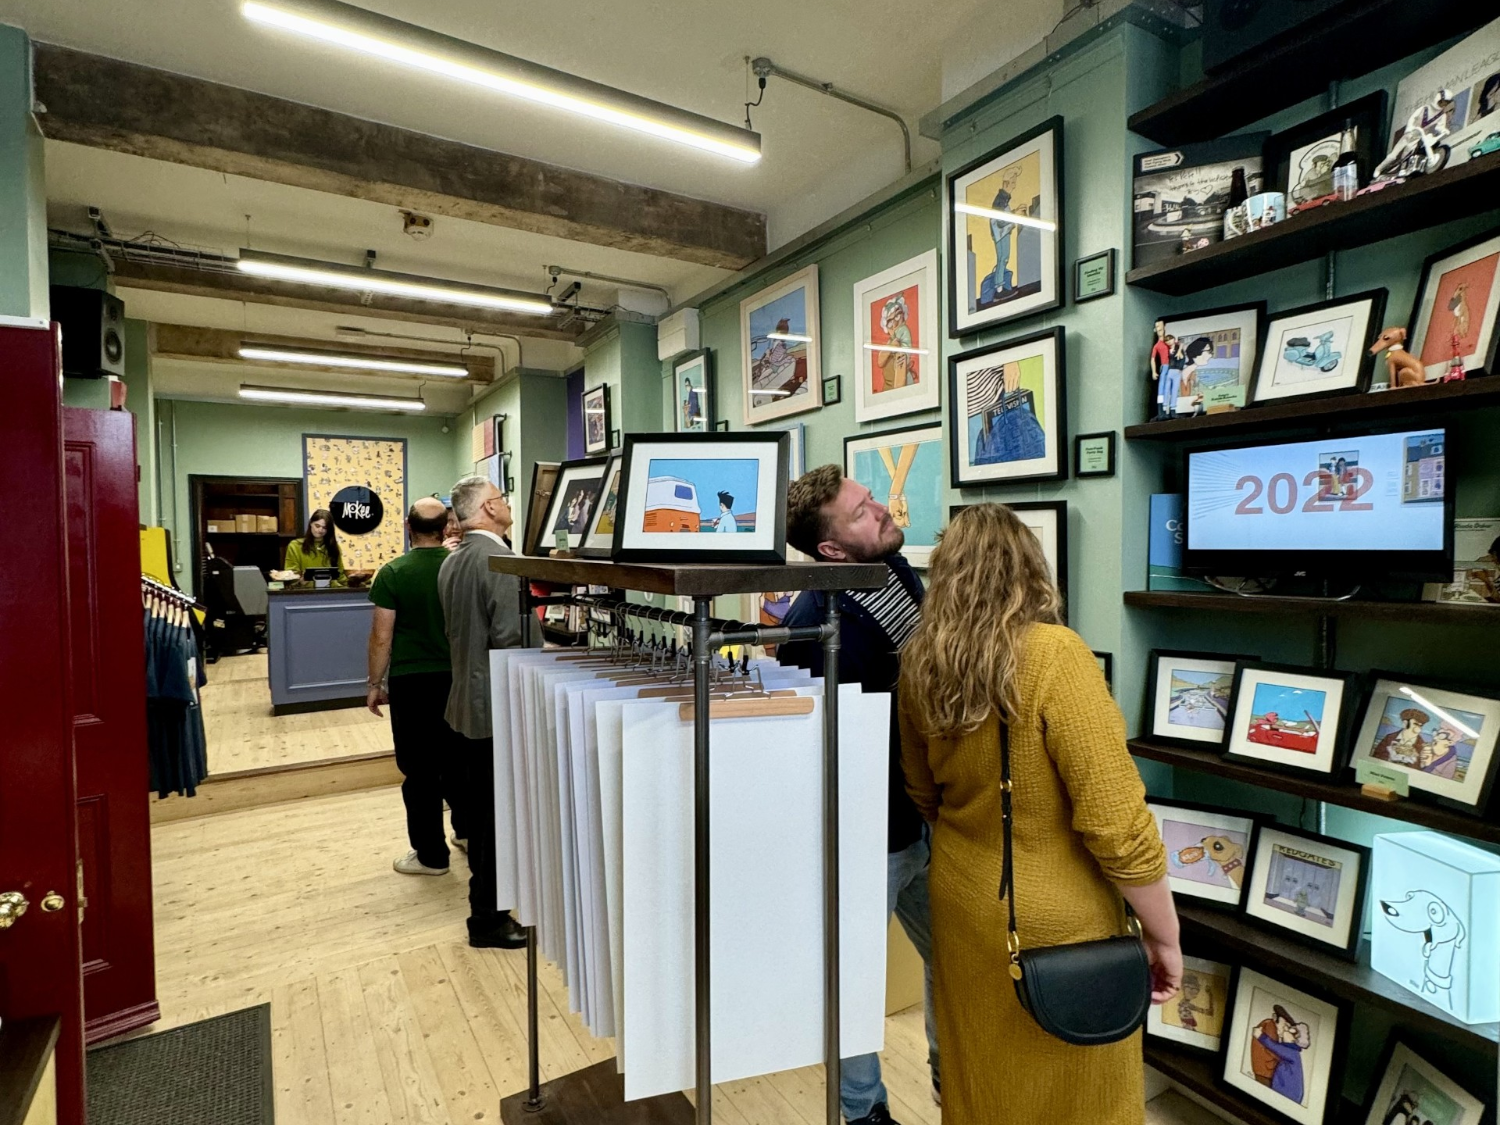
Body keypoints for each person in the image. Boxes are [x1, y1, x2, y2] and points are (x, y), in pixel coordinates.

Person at [898, 503, 1181, 1125]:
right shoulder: (1055, 654)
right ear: (1031, 570)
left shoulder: (919, 660)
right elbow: (1117, 825)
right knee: (1081, 1097)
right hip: (1058, 919)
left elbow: (924, 791)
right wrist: (1165, 932)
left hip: (962, 897)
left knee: (983, 1078)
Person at [775, 464, 936, 1125]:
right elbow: (810, 752)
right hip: (867, 837)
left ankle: (959, 1083)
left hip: (930, 817)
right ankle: (863, 1111)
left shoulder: (894, 570)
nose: (882, 510)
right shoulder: (812, 626)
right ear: (831, 550)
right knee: (854, 984)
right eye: (863, 510)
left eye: (872, 499)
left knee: (956, 960)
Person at [438, 475, 527, 949]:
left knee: (479, 816)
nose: (507, 504)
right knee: (494, 821)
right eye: (502, 498)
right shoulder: (501, 560)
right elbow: (510, 640)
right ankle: (488, 920)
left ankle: (487, 911)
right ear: (489, 509)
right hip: (494, 708)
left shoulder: (452, 560)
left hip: (463, 704)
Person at [367, 497, 467, 876]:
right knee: (461, 760)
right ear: (446, 528)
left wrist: (375, 683)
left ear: (409, 529)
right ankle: (469, 834)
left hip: (412, 682)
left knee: (420, 769)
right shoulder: (460, 567)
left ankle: (431, 856)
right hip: (458, 677)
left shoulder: (392, 572)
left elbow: (381, 637)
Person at [284, 508, 346, 581]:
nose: (320, 530)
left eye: (324, 527)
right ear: (311, 523)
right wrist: (300, 581)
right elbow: (291, 575)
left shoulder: (333, 547)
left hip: (331, 590)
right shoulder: (295, 546)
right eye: (317, 526)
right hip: (306, 591)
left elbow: (340, 575)